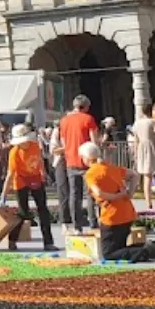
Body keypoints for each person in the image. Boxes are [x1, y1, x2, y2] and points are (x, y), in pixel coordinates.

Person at [83, 144, 155, 262]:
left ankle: (147, 250)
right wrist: (129, 193)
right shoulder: (110, 167)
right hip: (127, 212)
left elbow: (98, 192)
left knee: (109, 253)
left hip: (111, 215)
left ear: (87, 158)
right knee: (120, 248)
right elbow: (134, 175)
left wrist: (116, 196)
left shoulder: (90, 173)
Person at [4, 124, 56, 252]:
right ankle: (12, 240)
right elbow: (10, 174)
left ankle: (48, 242)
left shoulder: (35, 146)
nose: (24, 143)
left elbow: (39, 160)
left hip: (35, 178)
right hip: (20, 180)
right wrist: (4, 193)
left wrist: (43, 173)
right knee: (23, 212)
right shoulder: (14, 153)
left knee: (43, 210)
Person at [58, 95, 99, 232]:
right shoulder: (88, 119)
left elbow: (63, 142)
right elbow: (94, 142)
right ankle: (93, 223)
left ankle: (77, 226)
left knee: (74, 195)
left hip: (71, 160)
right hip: (87, 161)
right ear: (86, 107)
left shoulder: (64, 121)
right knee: (91, 193)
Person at [130, 103, 155, 210]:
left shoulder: (137, 123)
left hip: (141, 148)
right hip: (152, 147)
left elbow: (136, 139)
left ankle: (149, 202)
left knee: (146, 176)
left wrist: (135, 153)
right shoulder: (153, 122)